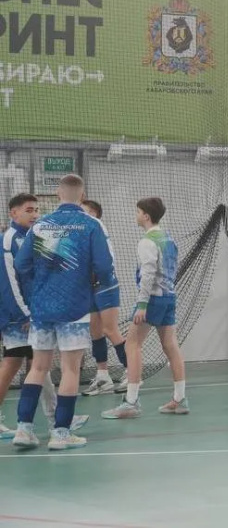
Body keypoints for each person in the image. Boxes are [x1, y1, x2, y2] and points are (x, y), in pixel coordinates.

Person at [11, 175, 115, 450]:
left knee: (38, 367)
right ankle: (61, 433)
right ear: (82, 196)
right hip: (75, 308)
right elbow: (105, 267)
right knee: (70, 369)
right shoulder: (91, 225)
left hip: (42, 307)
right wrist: (92, 282)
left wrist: (38, 288)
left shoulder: (42, 225)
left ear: (58, 194)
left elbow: (21, 265)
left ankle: (24, 429)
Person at [102, 198, 187, 419]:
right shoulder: (168, 238)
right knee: (171, 346)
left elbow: (148, 274)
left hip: (152, 300)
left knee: (132, 345)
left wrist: (142, 305)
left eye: (138, 212)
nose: (136, 215)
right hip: (169, 297)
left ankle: (131, 402)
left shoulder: (147, 241)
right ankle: (180, 399)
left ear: (146, 216)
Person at [80, 199, 129, 397]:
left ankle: (131, 371)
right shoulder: (82, 231)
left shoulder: (97, 227)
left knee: (110, 329)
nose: (80, 215)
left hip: (106, 285)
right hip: (90, 287)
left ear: (94, 214)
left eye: (84, 211)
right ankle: (103, 377)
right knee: (95, 332)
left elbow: (104, 261)